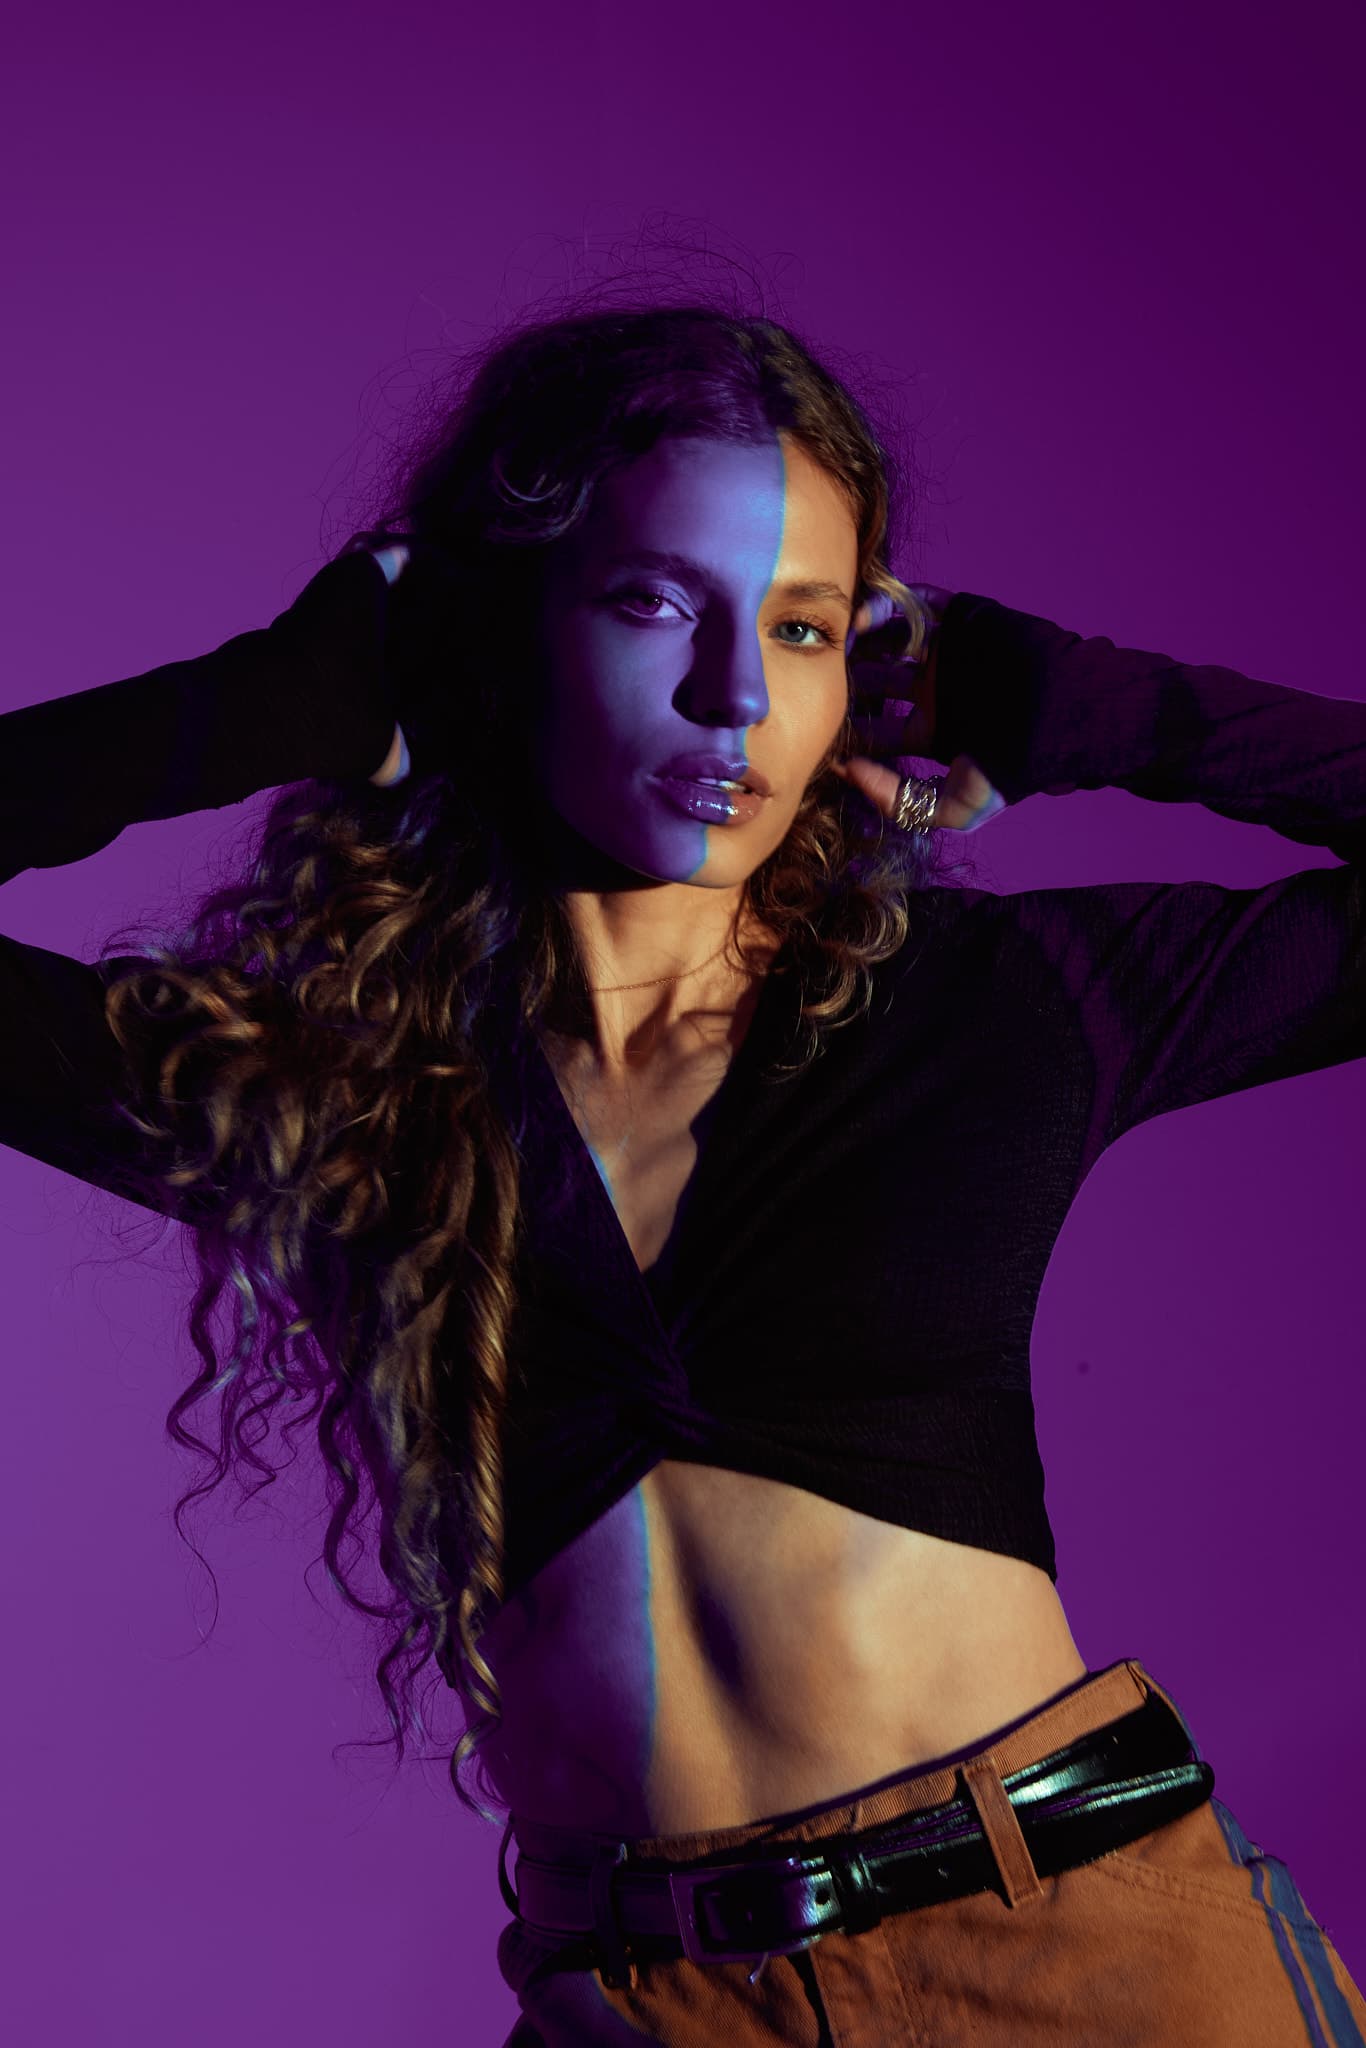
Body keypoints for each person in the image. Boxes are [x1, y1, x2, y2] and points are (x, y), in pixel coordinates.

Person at [2, 300, 1363, 2046]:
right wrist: (254, 708)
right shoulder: (327, 1093)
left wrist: (1095, 708)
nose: (735, 696)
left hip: (1077, 1959)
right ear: (500, 631)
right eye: (657, 601)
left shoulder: (1001, 1007)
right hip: (642, 2003)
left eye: (799, 627)